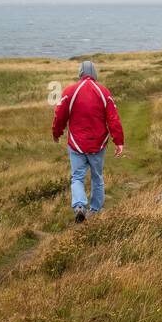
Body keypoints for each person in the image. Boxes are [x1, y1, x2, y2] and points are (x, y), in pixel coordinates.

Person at [51, 60, 124, 222]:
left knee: (77, 177)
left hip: (76, 144)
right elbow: (113, 119)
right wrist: (118, 141)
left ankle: (79, 206)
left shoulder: (70, 91)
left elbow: (60, 114)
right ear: (94, 73)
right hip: (98, 144)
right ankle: (95, 210)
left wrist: (57, 132)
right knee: (97, 177)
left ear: (80, 73)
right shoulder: (104, 92)